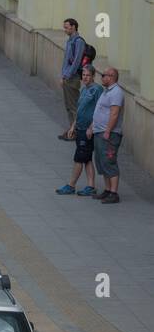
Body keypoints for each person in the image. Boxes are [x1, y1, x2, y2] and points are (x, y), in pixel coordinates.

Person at [57, 65, 102, 197]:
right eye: (83, 75)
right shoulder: (83, 90)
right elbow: (80, 110)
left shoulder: (97, 90)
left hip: (88, 130)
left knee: (79, 158)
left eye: (88, 75)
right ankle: (91, 186)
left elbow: (100, 111)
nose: (85, 78)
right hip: (80, 128)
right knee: (87, 159)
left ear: (93, 76)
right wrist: (73, 127)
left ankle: (71, 185)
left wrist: (91, 127)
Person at [87, 68, 124, 203]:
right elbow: (99, 111)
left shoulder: (116, 92)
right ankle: (107, 190)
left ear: (112, 77)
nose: (102, 77)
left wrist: (108, 131)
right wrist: (92, 127)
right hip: (99, 131)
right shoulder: (106, 91)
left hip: (109, 134)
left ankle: (114, 193)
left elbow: (114, 113)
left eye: (104, 75)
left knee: (109, 161)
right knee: (101, 162)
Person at [58, 18, 86, 138]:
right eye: (64, 27)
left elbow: (76, 62)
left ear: (74, 27)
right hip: (66, 77)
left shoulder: (78, 41)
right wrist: (62, 76)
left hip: (72, 78)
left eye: (67, 27)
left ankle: (75, 131)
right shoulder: (70, 40)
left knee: (74, 106)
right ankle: (71, 129)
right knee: (68, 106)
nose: (65, 29)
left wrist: (67, 76)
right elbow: (65, 61)